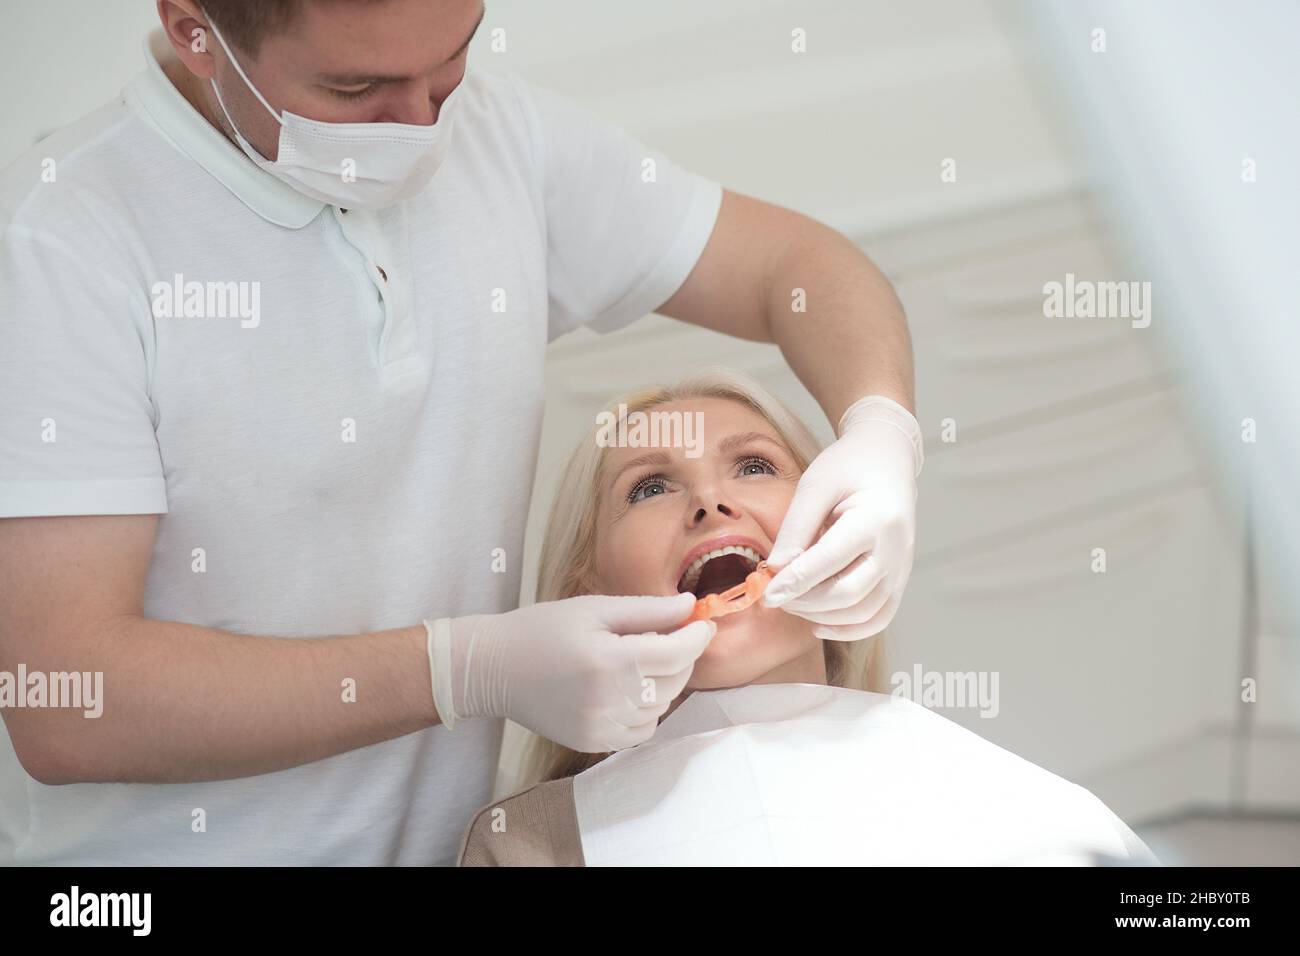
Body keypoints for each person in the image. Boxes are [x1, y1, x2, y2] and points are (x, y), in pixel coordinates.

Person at [0, 0, 922, 866]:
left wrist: (881, 429)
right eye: (355, 92)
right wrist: (465, 671)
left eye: (449, 63)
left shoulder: (500, 132)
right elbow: (66, 702)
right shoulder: (64, 246)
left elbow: (797, 268)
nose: (421, 125)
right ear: (194, 28)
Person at [456, 369, 1156, 866]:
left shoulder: (1023, 802)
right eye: (650, 486)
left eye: (755, 467)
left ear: (837, 526)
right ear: (587, 585)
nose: (709, 500)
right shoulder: (528, 843)